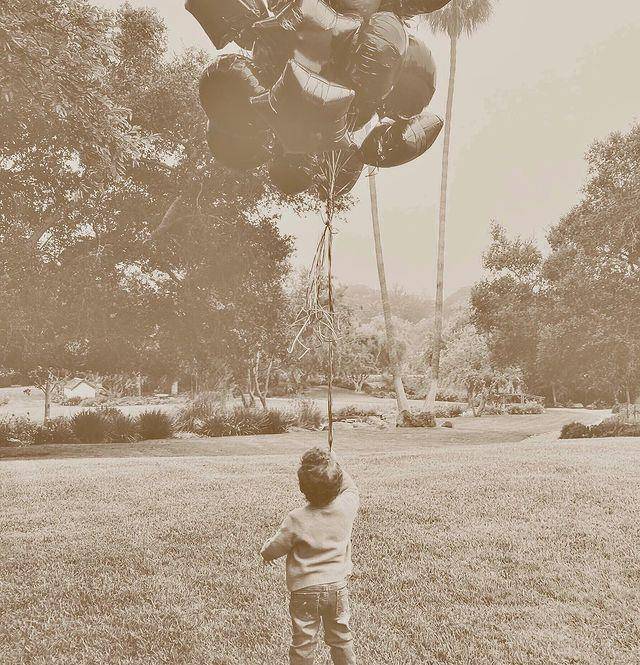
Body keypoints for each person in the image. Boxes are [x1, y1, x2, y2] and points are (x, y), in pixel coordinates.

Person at [261, 447, 360, 665]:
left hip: (304, 590)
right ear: (338, 482)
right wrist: (335, 462)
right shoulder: (346, 507)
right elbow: (350, 487)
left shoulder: (296, 518)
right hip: (337, 587)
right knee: (341, 637)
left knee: (304, 641)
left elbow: (276, 547)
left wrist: (265, 552)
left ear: (303, 488)